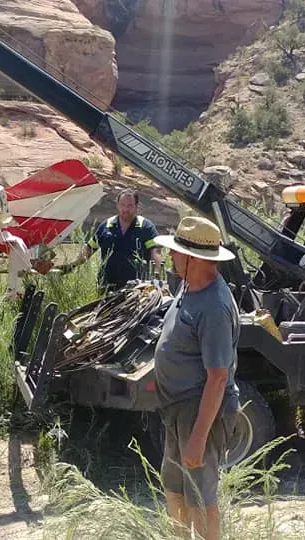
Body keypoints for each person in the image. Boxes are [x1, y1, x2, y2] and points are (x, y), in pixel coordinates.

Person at [151, 215, 240, 540]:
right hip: (179, 409)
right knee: (174, 486)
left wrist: (199, 438)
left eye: (176, 253)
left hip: (199, 411)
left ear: (194, 258)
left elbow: (217, 379)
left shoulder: (215, 307)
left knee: (200, 495)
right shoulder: (190, 286)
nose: (171, 257)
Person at [71, 189, 163, 292]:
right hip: (106, 286)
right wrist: (71, 266)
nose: (125, 209)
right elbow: (89, 249)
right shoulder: (106, 226)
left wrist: (156, 277)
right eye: (122, 205)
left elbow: (156, 253)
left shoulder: (146, 227)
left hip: (136, 289)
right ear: (117, 205)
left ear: (137, 207)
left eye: (130, 206)